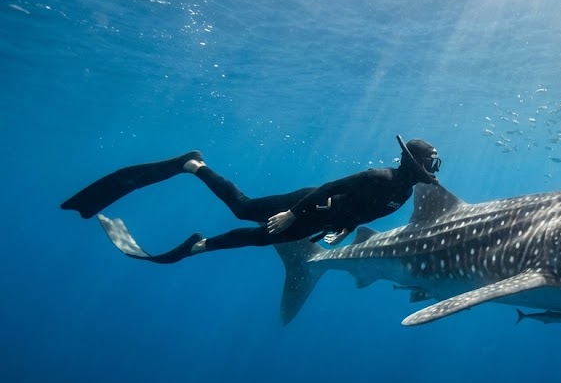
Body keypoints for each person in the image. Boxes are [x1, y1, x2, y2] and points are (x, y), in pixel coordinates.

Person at [61, 135, 442, 264]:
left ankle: (197, 247)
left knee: (258, 239)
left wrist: (343, 228)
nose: (432, 172)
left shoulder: (404, 192)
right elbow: (329, 188)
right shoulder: (379, 177)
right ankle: (193, 165)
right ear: (411, 163)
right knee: (244, 209)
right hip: (306, 205)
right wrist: (292, 214)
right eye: (429, 165)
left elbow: (363, 212)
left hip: (321, 222)